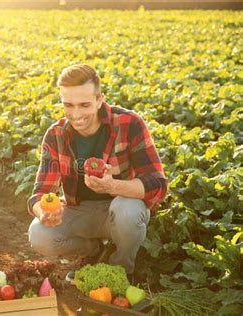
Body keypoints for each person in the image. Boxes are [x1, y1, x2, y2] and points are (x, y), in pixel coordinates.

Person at [27, 64, 168, 283]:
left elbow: (158, 184)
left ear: (100, 99)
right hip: (79, 210)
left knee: (128, 210)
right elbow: (40, 193)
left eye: (84, 105)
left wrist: (113, 186)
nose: (76, 114)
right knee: (39, 234)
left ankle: (121, 267)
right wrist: (43, 212)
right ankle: (92, 252)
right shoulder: (56, 134)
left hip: (120, 209)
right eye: (68, 105)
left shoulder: (129, 124)